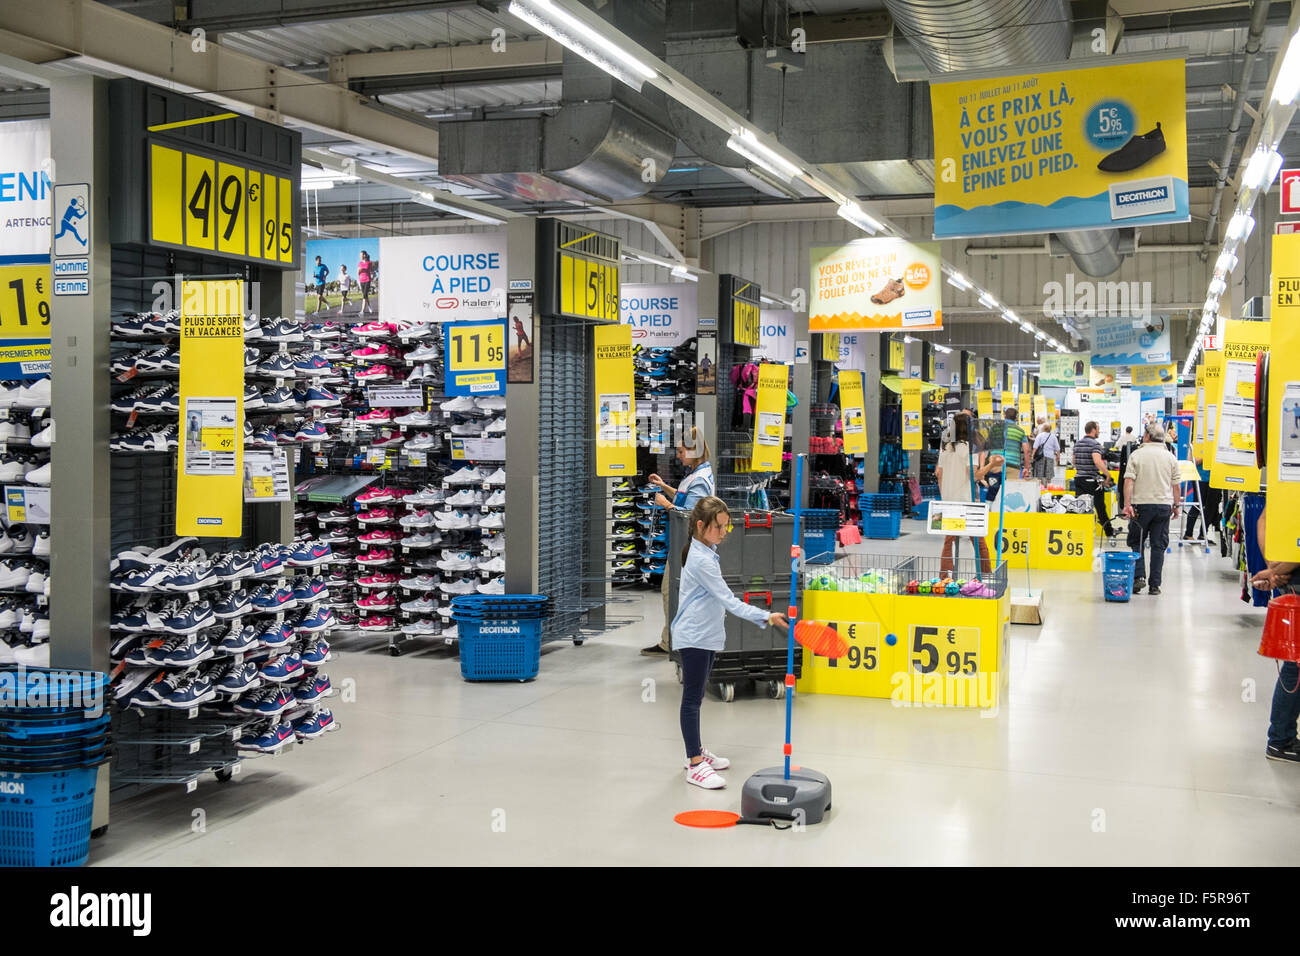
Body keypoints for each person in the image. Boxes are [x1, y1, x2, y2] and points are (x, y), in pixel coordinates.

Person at [672, 496, 787, 788]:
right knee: (691, 701)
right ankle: (694, 764)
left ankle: (696, 751)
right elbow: (730, 602)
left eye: (726, 526)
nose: (724, 533)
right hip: (695, 637)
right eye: (718, 527)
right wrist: (767, 616)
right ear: (700, 526)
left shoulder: (706, 550)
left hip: (705, 635)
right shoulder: (701, 560)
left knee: (696, 698)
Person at [642, 426, 714, 657]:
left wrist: (665, 504)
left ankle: (673, 643)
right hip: (685, 547)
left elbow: (689, 516)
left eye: (682, 451)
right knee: (673, 593)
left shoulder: (700, 479)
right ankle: (671, 641)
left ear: (694, 451)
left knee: (670, 593)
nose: (679, 455)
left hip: (687, 547)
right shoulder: (698, 473)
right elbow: (687, 499)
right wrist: (665, 487)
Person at [1250, 510, 1300, 761]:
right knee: (1296, 667)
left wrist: (1273, 567)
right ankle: (1281, 739)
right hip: (1295, 576)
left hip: (1291, 579)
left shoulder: (1288, 484)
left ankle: (1281, 737)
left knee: (1296, 664)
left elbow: (1264, 519)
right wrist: (1277, 569)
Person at [935, 412, 1000, 574]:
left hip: (948, 501)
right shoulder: (969, 448)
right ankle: (986, 575)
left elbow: (939, 474)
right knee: (978, 541)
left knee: (948, 541)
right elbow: (975, 476)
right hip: (966, 502)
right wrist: (992, 465)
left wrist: (945, 496)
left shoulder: (946, 448)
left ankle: (944, 577)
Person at [1121, 422, 1182, 595]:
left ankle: (1138, 577)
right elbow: (1176, 485)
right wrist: (1176, 505)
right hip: (1163, 506)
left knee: (1136, 541)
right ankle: (1155, 585)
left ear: (1147, 436)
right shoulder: (1170, 457)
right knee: (1158, 545)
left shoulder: (1137, 455)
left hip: (1140, 505)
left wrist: (1127, 505)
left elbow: (1128, 481)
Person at [1073, 420, 1116, 538]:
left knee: (1081, 507)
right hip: (1092, 481)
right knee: (1100, 507)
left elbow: (1073, 462)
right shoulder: (1095, 444)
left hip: (1079, 480)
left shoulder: (1077, 444)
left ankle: (1081, 533)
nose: (1099, 431)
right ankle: (1109, 533)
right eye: (1098, 429)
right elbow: (1097, 461)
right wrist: (1107, 475)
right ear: (1093, 430)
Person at [985, 406, 1030, 500]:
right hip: (1013, 465)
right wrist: (1026, 467)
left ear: (1004, 415)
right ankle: (1007, 514)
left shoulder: (995, 428)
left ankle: (991, 511)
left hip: (996, 463)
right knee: (1011, 492)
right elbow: (1027, 451)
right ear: (1016, 418)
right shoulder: (1020, 431)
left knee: (993, 492)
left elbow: (988, 444)